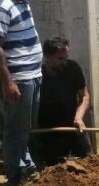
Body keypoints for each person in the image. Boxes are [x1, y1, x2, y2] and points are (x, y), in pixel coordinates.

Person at [0, 0, 53, 186]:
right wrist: (8, 81)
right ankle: (16, 176)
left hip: (32, 75)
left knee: (26, 126)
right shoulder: (0, 6)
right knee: (16, 128)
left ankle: (26, 164)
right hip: (19, 79)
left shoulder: (21, 2)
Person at [32, 37, 93, 166]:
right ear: (47, 57)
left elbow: (85, 96)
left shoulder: (73, 68)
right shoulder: (38, 76)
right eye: (60, 59)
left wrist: (79, 117)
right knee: (52, 167)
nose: (65, 62)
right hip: (50, 131)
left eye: (66, 57)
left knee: (90, 161)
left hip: (73, 125)